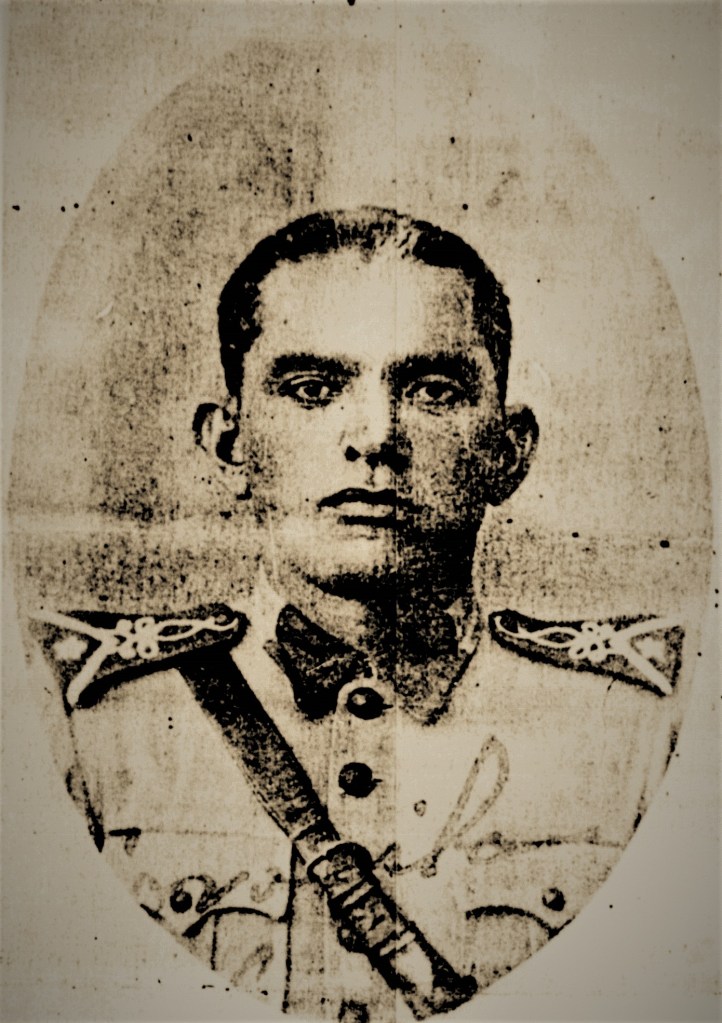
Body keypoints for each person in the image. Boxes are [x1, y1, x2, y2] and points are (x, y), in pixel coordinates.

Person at [32, 209, 685, 1021]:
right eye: (312, 389)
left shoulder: (645, 727)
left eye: (434, 391)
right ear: (230, 441)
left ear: (508, 450)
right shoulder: (83, 720)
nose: (376, 436)